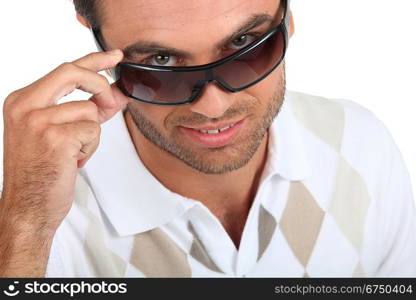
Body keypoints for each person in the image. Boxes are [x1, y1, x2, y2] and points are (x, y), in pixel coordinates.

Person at [0, 0, 415, 278]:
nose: (214, 107)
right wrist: (26, 223)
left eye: (245, 45)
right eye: (159, 62)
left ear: (288, 19)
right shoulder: (46, 216)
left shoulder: (359, 144)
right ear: (92, 32)